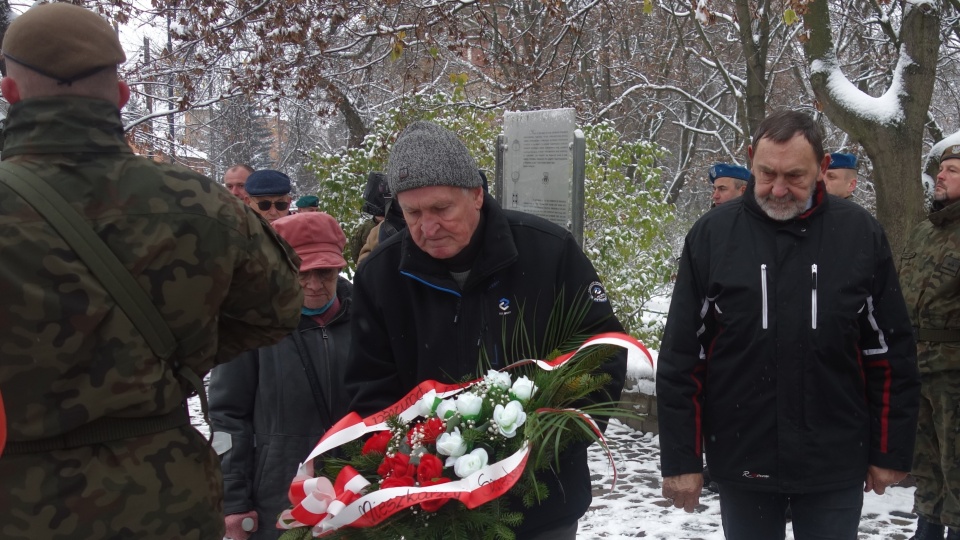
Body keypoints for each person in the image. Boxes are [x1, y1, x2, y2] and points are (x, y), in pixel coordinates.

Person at [0, 4, 303, 539]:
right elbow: (279, 311)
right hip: (164, 499)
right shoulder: (203, 206)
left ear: (9, 92)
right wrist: (176, 353)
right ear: (121, 97)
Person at [343, 121, 627, 539]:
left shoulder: (548, 252)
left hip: (541, 500)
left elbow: (600, 356)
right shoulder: (381, 276)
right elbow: (369, 386)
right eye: (413, 213)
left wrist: (539, 445)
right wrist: (416, 455)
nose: (428, 227)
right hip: (433, 507)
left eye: (441, 209)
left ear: (476, 194)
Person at [657, 109, 920, 540]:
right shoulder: (712, 237)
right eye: (766, 174)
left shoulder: (859, 235)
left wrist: (889, 449)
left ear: (823, 167)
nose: (778, 189)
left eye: (795, 176)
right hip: (745, 453)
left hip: (833, 459)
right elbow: (683, 357)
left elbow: (890, 353)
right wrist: (682, 459)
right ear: (750, 160)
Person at [209, 211, 353, 540]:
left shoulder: (365, 319)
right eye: (301, 274)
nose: (315, 285)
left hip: (353, 492)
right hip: (277, 500)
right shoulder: (251, 327)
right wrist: (233, 501)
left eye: (326, 272)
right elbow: (227, 417)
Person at [899, 144, 960, 540]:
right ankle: (927, 528)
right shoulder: (924, 229)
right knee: (925, 463)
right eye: (941, 169)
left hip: (955, 371)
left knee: (957, 464)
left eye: (952, 170)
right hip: (916, 366)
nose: (940, 175)